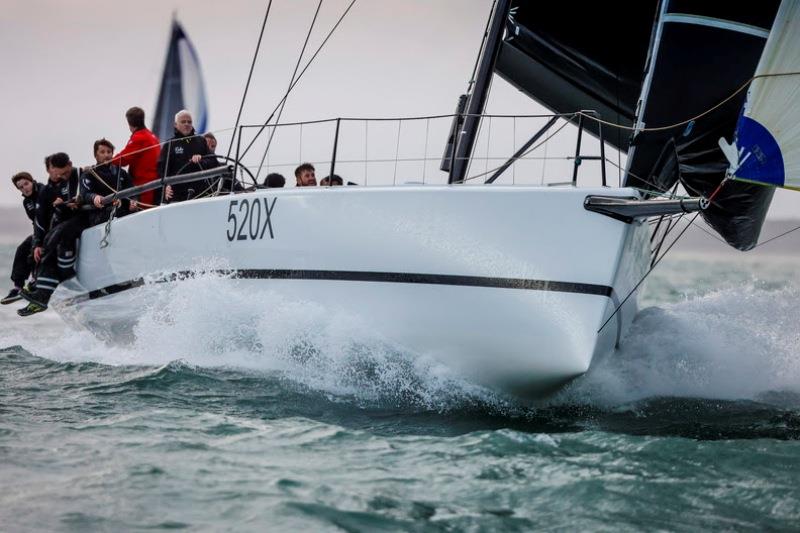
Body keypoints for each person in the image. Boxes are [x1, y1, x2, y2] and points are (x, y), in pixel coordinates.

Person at [18, 152, 82, 316]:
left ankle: (40, 289)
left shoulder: (77, 175)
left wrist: (66, 204)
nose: (57, 173)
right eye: (53, 169)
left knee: (52, 240)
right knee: (31, 248)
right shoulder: (47, 190)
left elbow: (80, 198)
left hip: (76, 221)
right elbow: (38, 220)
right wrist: (37, 244)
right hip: (60, 226)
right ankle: (32, 287)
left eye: (59, 170)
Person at [1, 172, 42, 305]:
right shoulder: (27, 202)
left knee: (34, 250)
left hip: (54, 229)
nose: (25, 188)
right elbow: (35, 222)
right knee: (22, 248)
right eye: (20, 187)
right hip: (40, 231)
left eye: (26, 184)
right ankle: (18, 286)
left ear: (32, 181)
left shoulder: (44, 191)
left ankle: (35, 280)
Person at [157, 109, 212, 202]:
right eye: (183, 122)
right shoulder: (169, 144)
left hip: (200, 194)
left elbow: (213, 162)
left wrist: (201, 159)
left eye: (189, 122)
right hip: (177, 196)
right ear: (175, 125)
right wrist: (166, 186)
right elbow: (161, 170)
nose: (187, 124)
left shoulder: (201, 141)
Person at [82, 138, 137, 226]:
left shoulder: (121, 172)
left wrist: (134, 201)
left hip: (121, 212)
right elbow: (85, 193)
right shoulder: (89, 174)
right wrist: (94, 197)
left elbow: (131, 189)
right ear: (96, 155)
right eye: (102, 152)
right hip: (99, 215)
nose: (106, 155)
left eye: (109, 152)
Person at [112, 107, 161, 206]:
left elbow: (123, 159)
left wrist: (105, 162)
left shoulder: (139, 137)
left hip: (144, 186)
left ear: (129, 123)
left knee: (144, 215)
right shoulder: (152, 136)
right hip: (155, 183)